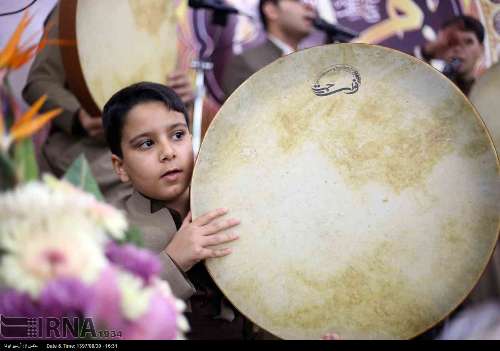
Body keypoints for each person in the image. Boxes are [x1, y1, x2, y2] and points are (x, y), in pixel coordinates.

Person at [102, 81, 255, 339]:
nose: (168, 152)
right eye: (146, 144)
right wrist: (173, 260)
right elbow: (105, 327)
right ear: (120, 167)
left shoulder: (231, 204)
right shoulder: (114, 233)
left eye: (178, 135)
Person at [22, 3, 194, 205]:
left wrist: (179, 93)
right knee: (143, 188)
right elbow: (38, 83)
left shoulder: (156, 7)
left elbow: (157, 76)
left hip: (152, 143)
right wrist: (79, 116)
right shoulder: (75, 8)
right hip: (93, 148)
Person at [221, 0, 316, 96]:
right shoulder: (246, 62)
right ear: (271, 10)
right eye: (297, 1)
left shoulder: (315, 60)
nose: (309, 6)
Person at [417, 15, 485, 96]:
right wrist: (427, 52)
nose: (458, 48)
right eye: (452, 42)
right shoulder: (428, 84)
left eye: (468, 42)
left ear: (481, 50)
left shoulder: (484, 97)